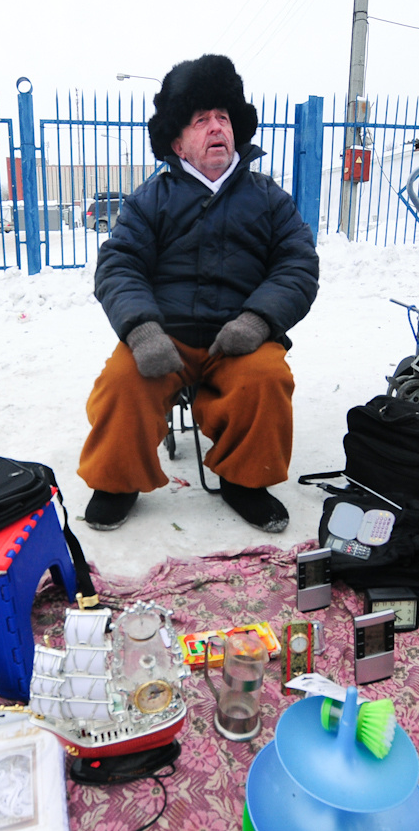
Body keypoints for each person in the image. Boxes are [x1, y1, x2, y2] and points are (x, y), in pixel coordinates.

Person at [78, 54, 319, 533]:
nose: (216, 128)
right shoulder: (150, 200)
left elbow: (297, 266)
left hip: (241, 339)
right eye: (202, 120)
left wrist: (256, 323)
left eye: (223, 118)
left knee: (267, 377)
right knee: (122, 382)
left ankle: (246, 481)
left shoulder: (270, 199)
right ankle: (116, 480)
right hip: (165, 337)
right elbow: (118, 265)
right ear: (178, 143)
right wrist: (142, 331)